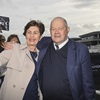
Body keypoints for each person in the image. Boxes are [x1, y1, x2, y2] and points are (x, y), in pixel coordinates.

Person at [37, 17, 96, 100]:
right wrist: (13, 45)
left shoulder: (81, 50)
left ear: (68, 30)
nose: (56, 32)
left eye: (60, 28)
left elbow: (88, 83)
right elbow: (30, 42)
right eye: (53, 29)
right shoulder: (44, 45)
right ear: (50, 31)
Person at [0, 20, 45, 100]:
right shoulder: (14, 49)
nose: (32, 36)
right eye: (29, 32)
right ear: (25, 35)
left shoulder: (42, 55)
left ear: (40, 36)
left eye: (35, 33)